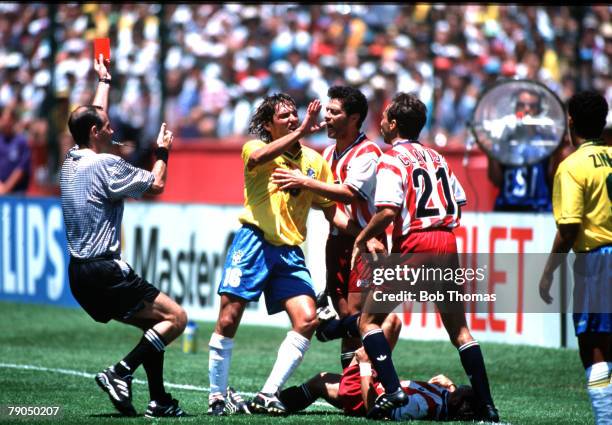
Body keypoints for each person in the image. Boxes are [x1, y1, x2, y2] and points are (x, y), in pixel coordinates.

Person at [318, 93, 499, 421]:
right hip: (446, 242)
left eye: (385, 117)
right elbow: (458, 200)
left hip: (414, 244)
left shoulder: (391, 159)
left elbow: (387, 211)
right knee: (459, 331)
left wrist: (362, 237)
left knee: (370, 322)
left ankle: (393, 390)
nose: (381, 122)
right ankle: (487, 405)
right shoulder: (437, 157)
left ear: (394, 124)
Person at [59, 55, 187, 418]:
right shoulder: (105, 164)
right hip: (106, 268)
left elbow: (93, 116)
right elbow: (157, 184)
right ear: (96, 133)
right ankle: (120, 372)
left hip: (80, 273)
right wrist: (162, 150)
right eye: (108, 127)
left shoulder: (71, 158)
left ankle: (159, 399)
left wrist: (105, 80)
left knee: (153, 324)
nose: (114, 130)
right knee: (176, 318)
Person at [207, 93, 348, 416]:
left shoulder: (315, 162)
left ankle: (267, 393)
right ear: (268, 125)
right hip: (254, 242)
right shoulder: (254, 149)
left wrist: (366, 235)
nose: (292, 119)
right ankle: (216, 396)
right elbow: (258, 160)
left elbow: (331, 213)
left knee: (308, 319)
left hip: (289, 253)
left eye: (294, 115)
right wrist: (299, 134)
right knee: (228, 318)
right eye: (283, 116)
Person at [271, 85, 384, 370]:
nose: (328, 117)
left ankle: (368, 377)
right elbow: (328, 207)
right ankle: (351, 381)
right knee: (346, 313)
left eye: (334, 112)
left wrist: (304, 182)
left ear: (354, 117)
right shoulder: (330, 153)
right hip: (338, 240)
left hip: (365, 243)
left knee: (360, 316)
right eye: (327, 111)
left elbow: (348, 194)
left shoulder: (367, 152)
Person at [539, 91, 611, 425]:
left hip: (598, 262)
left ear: (570, 121)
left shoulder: (572, 166)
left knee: (594, 347)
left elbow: (568, 228)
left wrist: (549, 271)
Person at [277, 314, 478, 422]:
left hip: (366, 392)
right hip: (372, 385)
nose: (467, 387)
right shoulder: (447, 397)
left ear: (460, 400)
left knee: (391, 322)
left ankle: (330, 329)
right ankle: (275, 403)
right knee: (319, 382)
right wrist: (450, 386)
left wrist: (365, 365)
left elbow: (373, 408)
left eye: (468, 392)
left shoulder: (420, 406)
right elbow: (460, 403)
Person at [487, 88, 564, 212]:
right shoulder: (506, 137)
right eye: (521, 105)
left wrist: (557, 151)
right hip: (507, 206)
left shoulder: (547, 140)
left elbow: (553, 179)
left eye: (532, 106)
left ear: (539, 110)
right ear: (515, 107)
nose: (527, 110)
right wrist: (491, 152)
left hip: (539, 208)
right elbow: (496, 180)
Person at [0, 104, 31, 195]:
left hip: (17, 193)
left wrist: (6, 188)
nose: (5, 123)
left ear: (14, 121)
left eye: (8, 120)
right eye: (3, 119)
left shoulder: (21, 142)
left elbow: (21, 168)